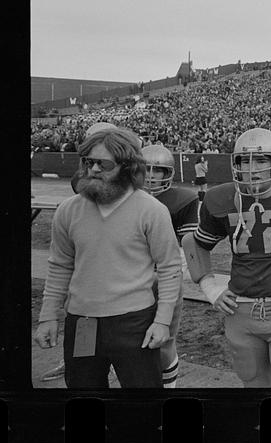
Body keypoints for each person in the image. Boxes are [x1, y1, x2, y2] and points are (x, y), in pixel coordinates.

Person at [34, 128, 183, 388]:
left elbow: (170, 268)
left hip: (134, 323)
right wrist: (48, 316)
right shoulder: (68, 211)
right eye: (88, 162)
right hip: (82, 322)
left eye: (103, 164)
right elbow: (60, 266)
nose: (92, 170)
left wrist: (162, 322)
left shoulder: (152, 211)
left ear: (126, 167)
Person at [182, 128, 271, 387]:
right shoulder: (221, 198)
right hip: (241, 311)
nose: (252, 168)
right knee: (252, 384)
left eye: (261, 160)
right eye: (244, 160)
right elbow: (194, 244)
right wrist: (210, 288)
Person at [141, 143, 199, 388]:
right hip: (129, 278)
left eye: (158, 171)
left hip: (164, 277)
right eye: (146, 169)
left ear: (168, 174)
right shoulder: (126, 196)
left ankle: (168, 390)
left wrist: (173, 276)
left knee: (164, 343)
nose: (151, 176)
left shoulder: (182, 199)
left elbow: (187, 246)